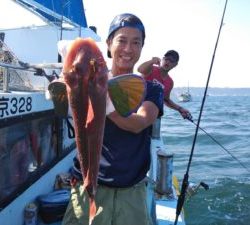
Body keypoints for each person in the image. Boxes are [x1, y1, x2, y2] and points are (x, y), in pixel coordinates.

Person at [62, 13, 164, 225]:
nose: (128, 49)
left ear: (142, 47)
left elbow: (139, 123)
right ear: (108, 44)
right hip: (87, 183)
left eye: (136, 42)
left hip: (131, 193)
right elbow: (67, 109)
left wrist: (104, 99)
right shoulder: (87, 79)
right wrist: (67, 86)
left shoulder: (152, 88)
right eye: (122, 40)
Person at [138, 50, 192, 119]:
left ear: (175, 64)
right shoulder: (151, 69)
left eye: (171, 61)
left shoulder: (170, 82)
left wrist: (180, 109)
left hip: (152, 115)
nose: (168, 62)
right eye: (166, 59)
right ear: (162, 59)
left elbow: (166, 100)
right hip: (137, 106)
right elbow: (140, 70)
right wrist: (151, 61)